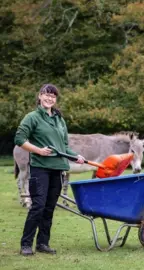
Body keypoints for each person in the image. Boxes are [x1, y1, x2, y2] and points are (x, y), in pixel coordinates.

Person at [14, 84, 84, 256]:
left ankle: (43, 243)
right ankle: (26, 244)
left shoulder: (59, 119)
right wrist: (38, 150)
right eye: (46, 95)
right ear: (39, 96)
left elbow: (64, 147)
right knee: (38, 206)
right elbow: (19, 138)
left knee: (49, 208)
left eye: (53, 96)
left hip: (58, 169)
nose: (49, 98)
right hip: (40, 169)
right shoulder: (32, 117)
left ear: (56, 99)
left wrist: (76, 156)